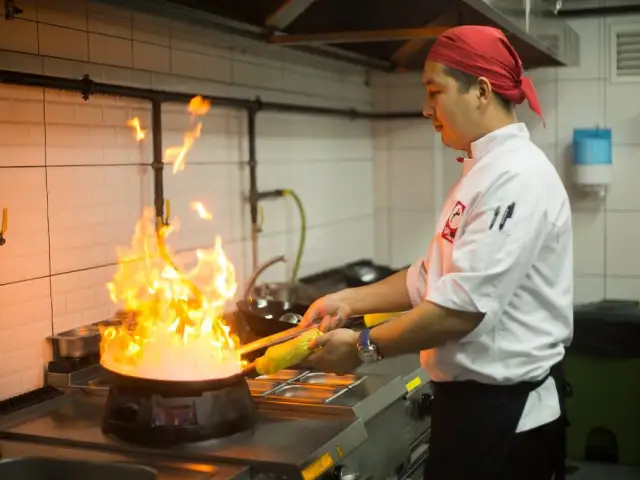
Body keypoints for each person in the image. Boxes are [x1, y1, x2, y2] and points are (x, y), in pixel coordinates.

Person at [300, 25, 573, 480]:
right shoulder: (482, 171)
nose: (428, 108)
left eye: (435, 91)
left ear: (481, 91)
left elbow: (459, 311)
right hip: (472, 410)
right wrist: (346, 300)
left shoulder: (516, 177)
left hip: (506, 422)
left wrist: (364, 347)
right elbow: (430, 279)